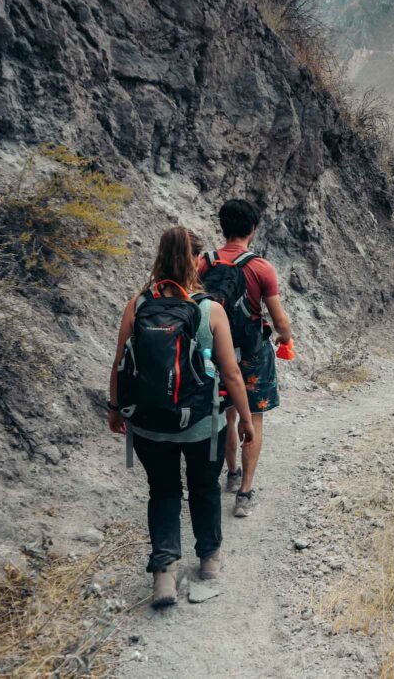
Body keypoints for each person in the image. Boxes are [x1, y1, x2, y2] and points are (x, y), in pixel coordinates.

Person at [108, 227, 256, 607]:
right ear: (195, 261)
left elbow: (120, 362)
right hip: (201, 426)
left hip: (148, 423)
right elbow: (231, 373)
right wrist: (246, 419)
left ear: (158, 256)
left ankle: (164, 575)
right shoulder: (209, 309)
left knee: (163, 490)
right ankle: (208, 561)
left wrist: (115, 409)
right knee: (204, 488)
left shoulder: (138, 305)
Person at [198, 199, 292, 517]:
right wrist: (285, 338)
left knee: (227, 415)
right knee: (254, 417)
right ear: (252, 229)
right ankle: (245, 492)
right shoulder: (261, 267)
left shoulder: (203, 262)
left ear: (222, 227)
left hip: (214, 353)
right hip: (252, 355)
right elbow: (280, 321)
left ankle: (232, 472)